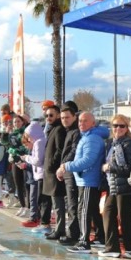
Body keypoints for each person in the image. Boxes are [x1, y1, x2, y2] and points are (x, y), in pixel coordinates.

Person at [57, 112, 108, 253]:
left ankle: (84, 242)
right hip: (86, 179)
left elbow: (87, 161)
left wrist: (66, 166)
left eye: (85, 121)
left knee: (84, 211)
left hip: (88, 181)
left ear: (93, 123)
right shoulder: (88, 136)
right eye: (80, 121)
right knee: (91, 210)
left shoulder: (91, 138)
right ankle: (100, 237)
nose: (81, 123)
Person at [102, 113, 131, 258]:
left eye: (122, 126)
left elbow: (127, 168)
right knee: (108, 214)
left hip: (124, 186)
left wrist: (109, 167)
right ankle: (113, 248)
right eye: (115, 125)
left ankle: (130, 248)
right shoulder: (112, 142)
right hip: (112, 185)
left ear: (126, 128)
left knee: (125, 217)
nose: (118, 129)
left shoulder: (127, 143)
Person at [42, 103, 70, 241]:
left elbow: (60, 150)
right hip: (50, 172)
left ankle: (60, 230)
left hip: (54, 173)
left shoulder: (59, 129)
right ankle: (58, 229)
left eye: (51, 115)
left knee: (58, 204)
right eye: (46, 115)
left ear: (58, 115)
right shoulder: (53, 129)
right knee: (55, 203)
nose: (48, 118)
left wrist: (52, 165)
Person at [56, 102, 83, 246]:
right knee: (70, 202)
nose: (64, 120)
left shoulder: (76, 132)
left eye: (67, 117)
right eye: (62, 118)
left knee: (73, 203)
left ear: (74, 117)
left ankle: (73, 234)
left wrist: (63, 165)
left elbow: (73, 151)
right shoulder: (69, 131)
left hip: (71, 171)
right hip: (68, 171)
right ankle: (72, 232)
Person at [20, 116, 51, 232]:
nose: (28, 139)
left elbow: (38, 160)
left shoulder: (39, 142)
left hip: (41, 174)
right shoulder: (40, 141)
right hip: (40, 174)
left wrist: (27, 158)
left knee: (42, 200)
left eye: (28, 136)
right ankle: (43, 222)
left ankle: (44, 224)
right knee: (41, 200)